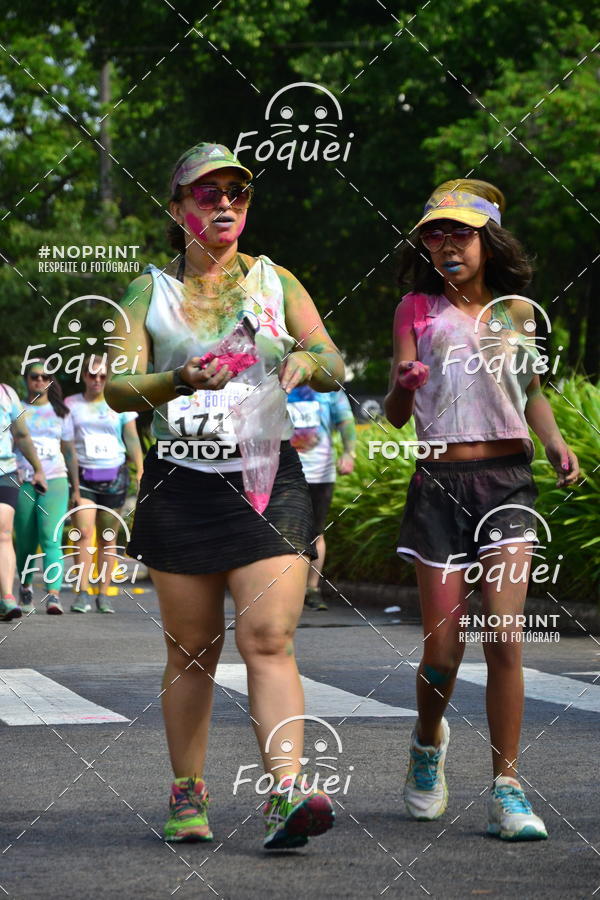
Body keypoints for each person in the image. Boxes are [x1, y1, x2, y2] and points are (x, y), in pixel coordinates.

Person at [105, 142, 345, 849]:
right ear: (178, 210)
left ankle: (285, 796)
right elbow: (119, 385)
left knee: (267, 637)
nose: (224, 204)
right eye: (206, 194)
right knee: (192, 651)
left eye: (236, 192)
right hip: (181, 482)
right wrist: (178, 381)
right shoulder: (149, 292)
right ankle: (187, 792)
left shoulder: (276, 281)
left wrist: (306, 359)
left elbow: (331, 359)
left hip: (268, 480)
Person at [385, 179, 579, 841]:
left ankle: (506, 788)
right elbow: (394, 410)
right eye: (435, 234)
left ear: (486, 241)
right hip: (439, 484)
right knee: (443, 650)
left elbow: (530, 391)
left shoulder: (516, 313)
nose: (446, 244)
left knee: (503, 635)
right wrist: (403, 386)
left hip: (508, 484)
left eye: (459, 233)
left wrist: (555, 445)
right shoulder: (414, 307)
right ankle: (427, 742)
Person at [65, 354, 143, 614]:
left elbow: (131, 438)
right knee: (84, 535)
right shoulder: (71, 404)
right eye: (91, 375)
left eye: (102, 376)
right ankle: (83, 592)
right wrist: (74, 486)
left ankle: (103, 594)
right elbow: (67, 446)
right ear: (84, 376)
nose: (97, 380)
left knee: (108, 537)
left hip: (115, 475)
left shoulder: (119, 403)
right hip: (84, 476)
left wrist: (141, 470)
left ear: (108, 377)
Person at [14, 361, 81, 615]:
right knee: (26, 540)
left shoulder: (61, 412)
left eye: (45, 377)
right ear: (26, 380)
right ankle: (26, 587)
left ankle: (53, 595)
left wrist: (76, 488)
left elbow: (70, 452)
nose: (39, 381)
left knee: (51, 537)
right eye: (34, 377)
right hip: (23, 480)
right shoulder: (17, 410)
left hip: (55, 480)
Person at [287, 385, 356, 610]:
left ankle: (312, 589)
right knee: (281, 531)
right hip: (283, 472)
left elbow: (345, 420)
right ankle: (286, 590)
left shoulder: (329, 388)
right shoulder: (278, 381)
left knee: (316, 531)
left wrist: (349, 452)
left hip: (320, 471)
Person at [0, 383, 47, 620]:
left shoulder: (8, 394)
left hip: (5, 471)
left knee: (4, 532)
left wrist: (38, 468)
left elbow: (21, 434)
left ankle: (7, 597)